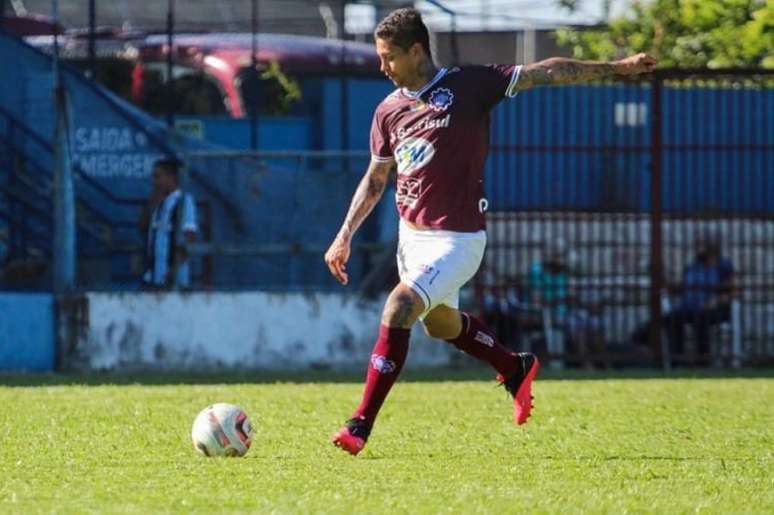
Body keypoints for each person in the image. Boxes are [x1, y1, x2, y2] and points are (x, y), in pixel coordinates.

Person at [324, 7, 657, 455]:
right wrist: (344, 234)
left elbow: (547, 72)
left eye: (389, 57)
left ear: (417, 50)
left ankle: (359, 424)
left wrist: (617, 68)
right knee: (439, 326)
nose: (382, 66)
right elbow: (376, 179)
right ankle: (514, 366)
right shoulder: (388, 110)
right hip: (412, 239)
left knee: (399, 305)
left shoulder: (470, 85)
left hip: (458, 240)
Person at [526, 241, 606, 368]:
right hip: (548, 313)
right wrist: (561, 299)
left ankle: (603, 361)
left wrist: (575, 300)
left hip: (566, 311)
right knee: (576, 327)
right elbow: (537, 301)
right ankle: (586, 364)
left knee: (595, 322)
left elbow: (570, 295)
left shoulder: (562, 274)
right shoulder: (537, 272)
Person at [662, 233, 735, 359]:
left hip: (714, 309)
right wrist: (668, 285)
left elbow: (732, 292)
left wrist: (715, 301)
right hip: (690, 308)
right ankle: (677, 358)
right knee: (671, 319)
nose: (698, 249)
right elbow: (684, 288)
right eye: (698, 246)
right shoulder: (692, 267)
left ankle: (703, 359)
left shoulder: (723, 266)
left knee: (701, 319)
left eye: (702, 246)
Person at [140, 157, 198, 290]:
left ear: (170, 177)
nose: (154, 182)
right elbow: (142, 227)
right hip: (152, 277)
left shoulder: (184, 201)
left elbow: (189, 239)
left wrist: (172, 272)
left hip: (173, 280)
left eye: (157, 177)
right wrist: (152, 202)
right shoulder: (157, 202)